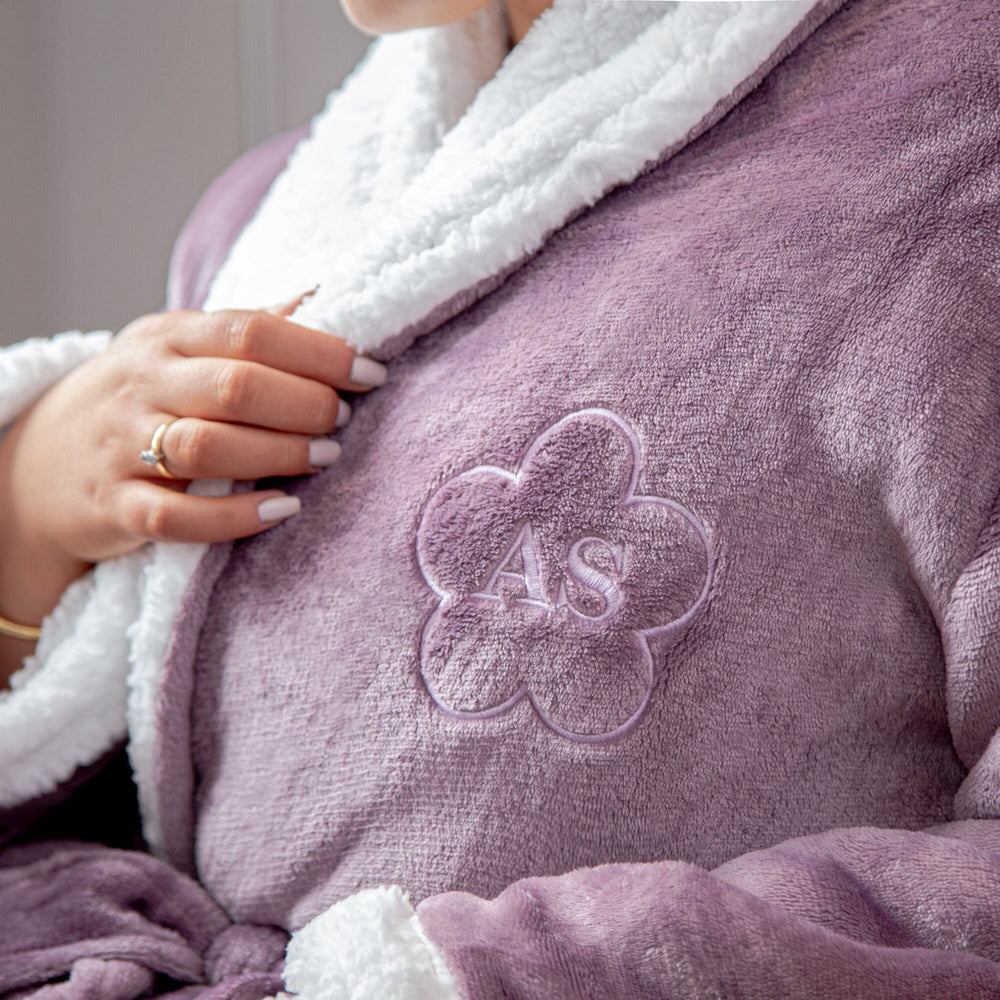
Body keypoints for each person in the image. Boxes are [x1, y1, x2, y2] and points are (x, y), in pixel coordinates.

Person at [2, 0, 1000, 996]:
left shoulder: (951, 138)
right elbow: (158, 780)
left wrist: (443, 981)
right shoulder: (268, 211)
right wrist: (25, 517)